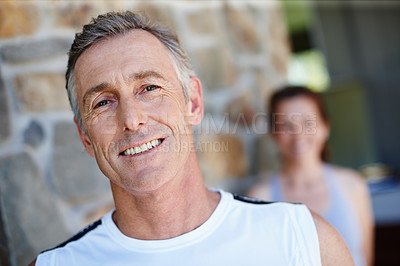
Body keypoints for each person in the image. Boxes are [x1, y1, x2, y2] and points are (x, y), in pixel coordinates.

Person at [30, 12, 353, 266]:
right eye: (103, 102)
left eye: (149, 88)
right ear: (84, 136)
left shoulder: (304, 239)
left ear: (193, 103)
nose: (131, 119)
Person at [247, 86, 374, 266]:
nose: (298, 135)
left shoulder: (353, 185)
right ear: (274, 133)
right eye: (286, 125)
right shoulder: (260, 197)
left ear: (325, 127)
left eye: (308, 123)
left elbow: (366, 258)